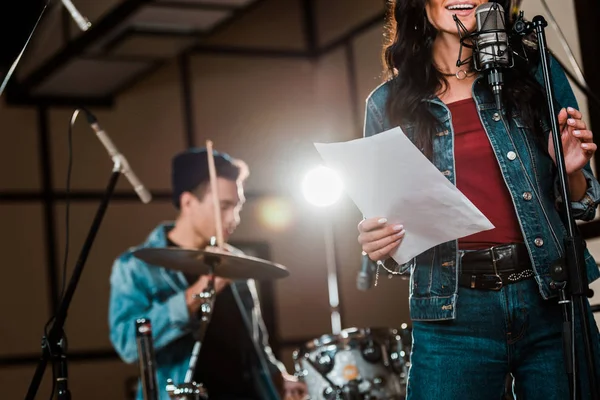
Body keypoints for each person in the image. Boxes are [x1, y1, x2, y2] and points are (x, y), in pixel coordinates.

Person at [357, 1, 600, 399]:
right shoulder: (385, 104)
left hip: (551, 298)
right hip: (452, 313)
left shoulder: (536, 71)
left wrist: (570, 172)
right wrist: (379, 242)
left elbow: (582, 202)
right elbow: (389, 229)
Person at [109, 148, 306, 400]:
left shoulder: (236, 261)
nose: (233, 218)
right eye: (224, 207)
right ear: (188, 202)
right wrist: (194, 295)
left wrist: (278, 378)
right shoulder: (137, 266)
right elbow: (128, 345)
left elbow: (253, 344)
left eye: (237, 207)